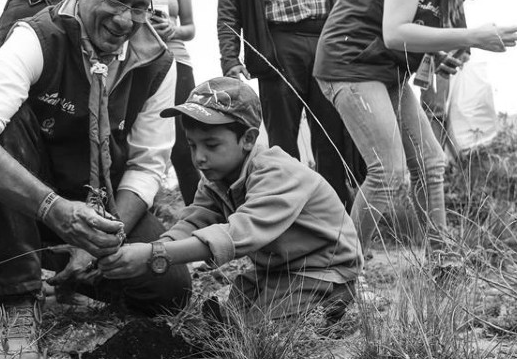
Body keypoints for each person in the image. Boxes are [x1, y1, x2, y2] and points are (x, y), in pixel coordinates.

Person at [0, 0, 191, 358]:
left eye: (140, 6)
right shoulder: (35, 38)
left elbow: (147, 167)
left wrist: (97, 237)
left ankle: (74, 281)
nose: (125, 20)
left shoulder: (159, 63)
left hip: (99, 214)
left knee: (170, 288)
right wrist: (56, 211)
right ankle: (19, 299)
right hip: (31, 210)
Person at [313, 0, 517, 258]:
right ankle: (343, 269)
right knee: (389, 173)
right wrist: (474, 36)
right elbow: (394, 32)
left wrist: (436, 57)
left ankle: (442, 261)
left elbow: (414, 26)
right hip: (349, 65)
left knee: (431, 162)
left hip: (385, 72)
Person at [99, 77, 363, 326]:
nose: (199, 158)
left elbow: (240, 232)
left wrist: (154, 255)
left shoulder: (277, 172)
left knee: (262, 330)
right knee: (232, 317)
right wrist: (155, 247)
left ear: (248, 139)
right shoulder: (215, 178)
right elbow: (193, 221)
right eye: (192, 145)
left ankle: (339, 303)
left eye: (211, 145)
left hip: (323, 271)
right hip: (274, 270)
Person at [217, 0, 363, 212]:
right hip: (278, 44)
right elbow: (227, 11)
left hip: (324, 39)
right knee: (283, 141)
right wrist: (230, 59)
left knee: (332, 135)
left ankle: (335, 219)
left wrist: (349, 40)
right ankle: (293, 217)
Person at [126, 0, 201, 205]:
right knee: (136, 141)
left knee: (185, 145)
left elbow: (191, 28)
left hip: (177, 61)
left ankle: (202, 216)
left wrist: (173, 28)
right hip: (135, 62)